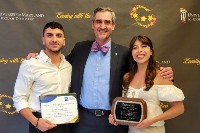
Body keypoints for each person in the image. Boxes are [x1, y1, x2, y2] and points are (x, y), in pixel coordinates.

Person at [26, 7, 173, 133]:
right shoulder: (80, 48)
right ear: (93, 24)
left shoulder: (124, 53)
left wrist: (165, 73)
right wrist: (39, 57)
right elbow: (58, 63)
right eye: (99, 21)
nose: (103, 26)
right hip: (82, 120)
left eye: (107, 22)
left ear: (113, 26)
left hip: (113, 121)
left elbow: (142, 69)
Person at [108, 35, 185, 133]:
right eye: (135, 48)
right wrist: (115, 116)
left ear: (151, 51)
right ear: (131, 53)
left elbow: (179, 108)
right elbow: (126, 107)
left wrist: (152, 120)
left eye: (144, 46)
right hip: (132, 130)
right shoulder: (127, 77)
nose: (139, 50)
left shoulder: (161, 75)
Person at [13, 21, 72, 133]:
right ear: (43, 39)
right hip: (39, 124)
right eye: (49, 35)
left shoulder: (68, 66)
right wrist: (36, 122)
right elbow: (19, 98)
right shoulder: (30, 64)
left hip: (65, 125)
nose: (54, 39)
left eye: (59, 36)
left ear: (64, 41)